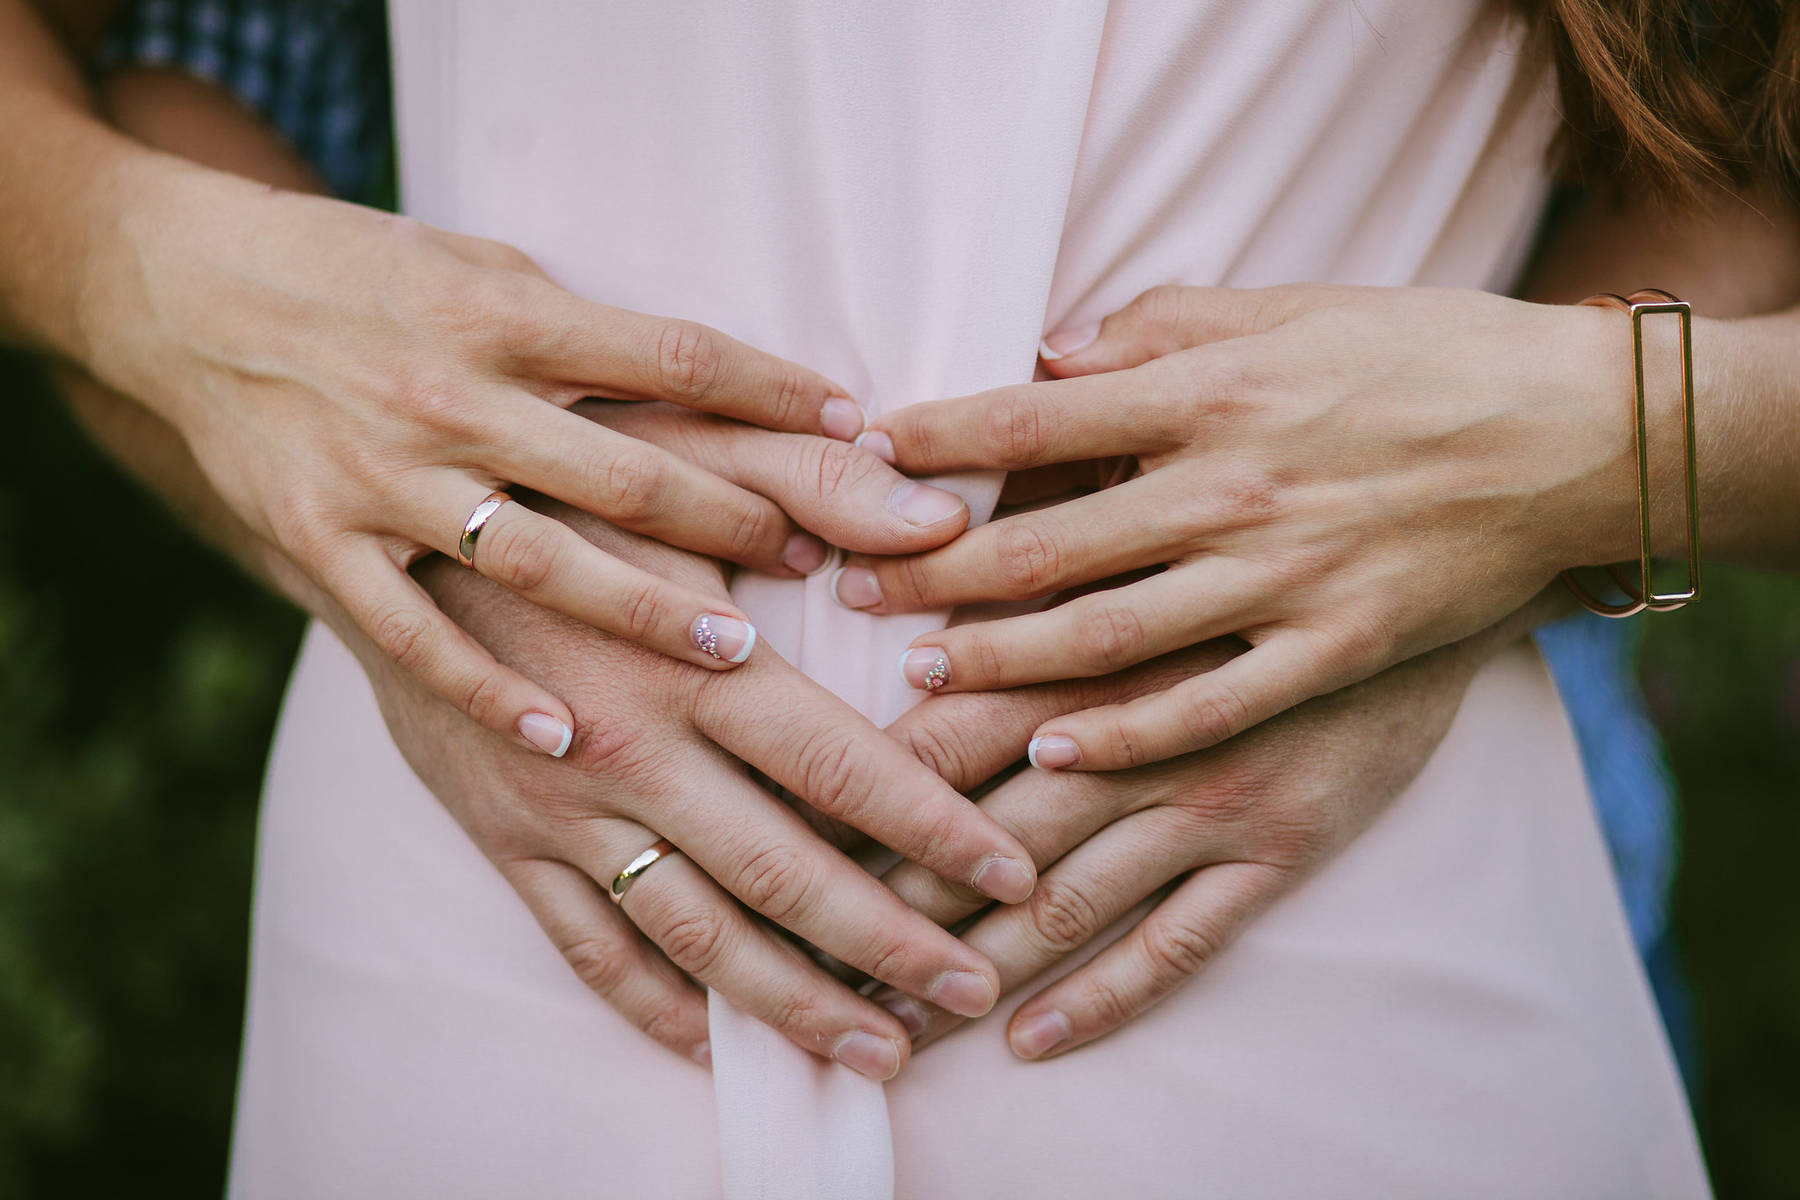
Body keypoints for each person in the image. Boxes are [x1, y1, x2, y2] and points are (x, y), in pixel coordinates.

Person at [6, 0, 1799, 1195]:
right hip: (485, 931)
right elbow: (146, 60)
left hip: (1339, 955)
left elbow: (1741, 127)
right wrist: (162, 292)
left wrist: (1595, 440)